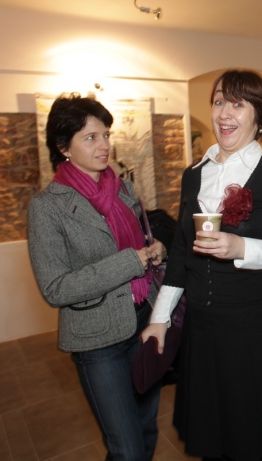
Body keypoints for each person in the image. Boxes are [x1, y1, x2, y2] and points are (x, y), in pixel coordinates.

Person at [141, 70, 262, 461]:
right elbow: (181, 253)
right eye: (218, 102)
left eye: (237, 104)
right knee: (213, 441)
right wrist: (160, 319)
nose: (224, 113)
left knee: (255, 444)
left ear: (260, 116)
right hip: (202, 330)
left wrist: (240, 246)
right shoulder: (193, 175)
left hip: (253, 330)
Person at [26, 94, 167, 461]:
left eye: (106, 135)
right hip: (98, 340)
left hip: (144, 320)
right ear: (63, 147)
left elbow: (141, 241)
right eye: (91, 137)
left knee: (147, 430)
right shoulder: (47, 206)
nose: (104, 145)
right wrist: (130, 262)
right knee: (127, 448)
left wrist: (156, 250)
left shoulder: (123, 188)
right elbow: (56, 287)